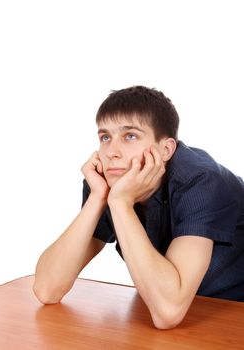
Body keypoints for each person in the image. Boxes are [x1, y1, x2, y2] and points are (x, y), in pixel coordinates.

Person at [33, 86, 244, 329]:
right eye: (105, 137)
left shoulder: (200, 181)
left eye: (130, 136)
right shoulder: (106, 182)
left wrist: (120, 203)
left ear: (166, 149)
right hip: (181, 311)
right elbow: (47, 289)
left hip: (232, 313)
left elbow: (167, 313)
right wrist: (98, 198)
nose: (112, 152)